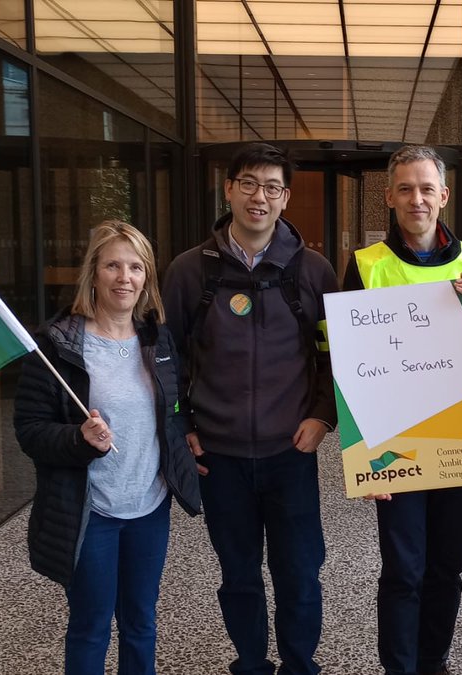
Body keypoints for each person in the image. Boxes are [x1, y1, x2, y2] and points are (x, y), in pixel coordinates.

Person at [162, 142, 338, 675]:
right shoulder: (190, 271)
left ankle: (299, 665)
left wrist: (322, 414)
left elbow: (338, 356)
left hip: (291, 452)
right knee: (238, 573)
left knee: (300, 573)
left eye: (272, 187)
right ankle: (252, 664)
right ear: (229, 189)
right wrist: (181, 424)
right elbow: (164, 357)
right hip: (221, 455)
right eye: (248, 184)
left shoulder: (313, 271)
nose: (258, 197)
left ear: (285, 198)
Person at [342, 144, 462, 675]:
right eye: (406, 188)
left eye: (426, 188)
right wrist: (364, 458)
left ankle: (432, 660)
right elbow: (348, 367)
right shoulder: (366, 264)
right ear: (389, 197)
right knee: (402, 570)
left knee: (445, 569)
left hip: (456, 441)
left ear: (444, 194)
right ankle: (399, 666)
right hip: (393, 445)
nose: (417, 198)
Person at [13, 221, 204, 675]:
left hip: (149, 506)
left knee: (141, 622)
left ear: (147, 277)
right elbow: (30, 430)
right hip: (91, 512)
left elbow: (171, 410)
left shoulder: (157, 339)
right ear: (93, 273)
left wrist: (182, 445)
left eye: (136, 267)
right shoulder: (57, 345)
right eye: (113, 265)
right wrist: (78, 440)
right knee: (91, 626)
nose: (125, 277)